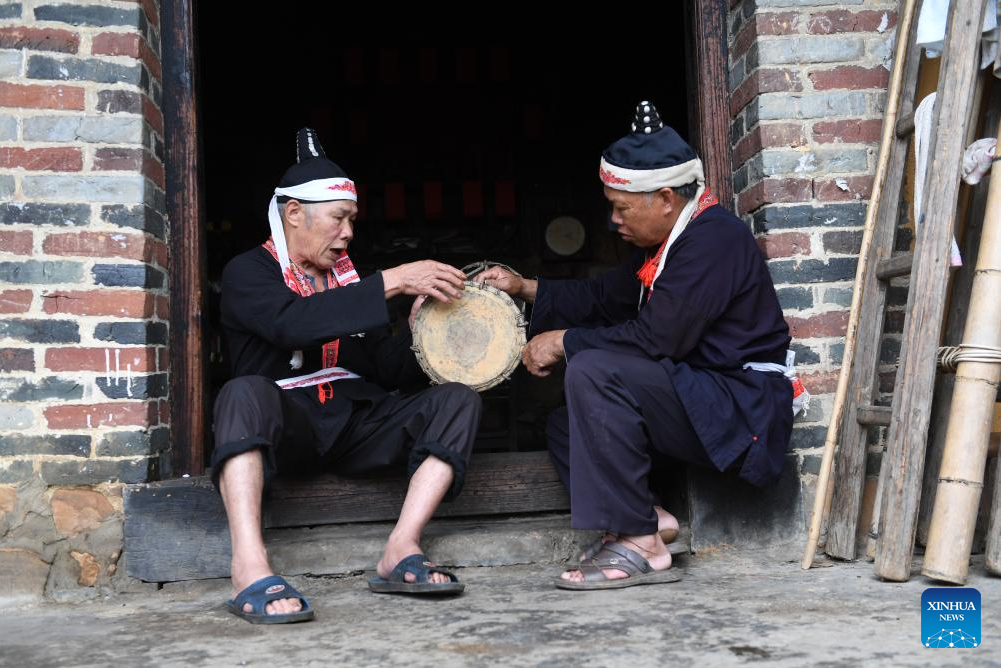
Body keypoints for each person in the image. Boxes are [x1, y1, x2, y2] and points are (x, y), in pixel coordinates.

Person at [481, 102, 795, 590]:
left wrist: (564, 341)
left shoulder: (714, 242)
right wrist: (523, 287)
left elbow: (658, 339)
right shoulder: (669, 244)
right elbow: (603, 297)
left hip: (741, 409)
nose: (613, 220)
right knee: (565, 423)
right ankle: (648, 518)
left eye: (621, 207)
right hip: (701, 398)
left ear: (666, 198)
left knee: (593, 369)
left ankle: (640, 544)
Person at [216, 128, 481, 622]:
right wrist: (395, 280)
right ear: (294, 213)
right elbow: (289, 323)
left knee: (456, 399)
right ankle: (249, 568)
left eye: (352, 220)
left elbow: (388, 371)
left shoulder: (353, 281)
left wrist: (418, 324)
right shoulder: (247, 272)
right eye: (339, 219)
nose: (348, 233)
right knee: (242, 394)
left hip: (356, 422)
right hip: (288, 426)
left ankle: (401, 547)